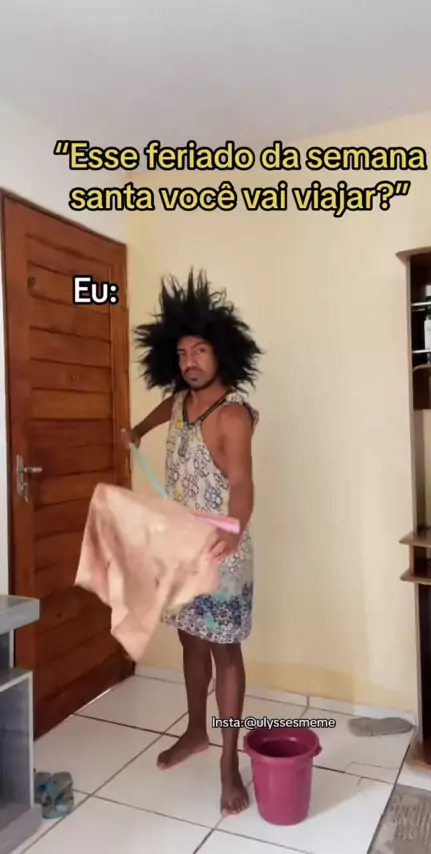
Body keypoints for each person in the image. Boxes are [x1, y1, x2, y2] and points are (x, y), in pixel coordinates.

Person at [122, 269, 261, 816]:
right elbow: (168, 408)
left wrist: (235, 528)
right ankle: (196, 731)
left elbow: (243, 483)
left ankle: (228, 761)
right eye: (182, 353)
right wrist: (139, 429)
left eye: (199, 350)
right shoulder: (182, 400)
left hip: (222, 551)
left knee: (225, 652)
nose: (189, 362)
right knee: (189, 642)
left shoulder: (233, 416)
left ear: (221, 352)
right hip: (180, 551)